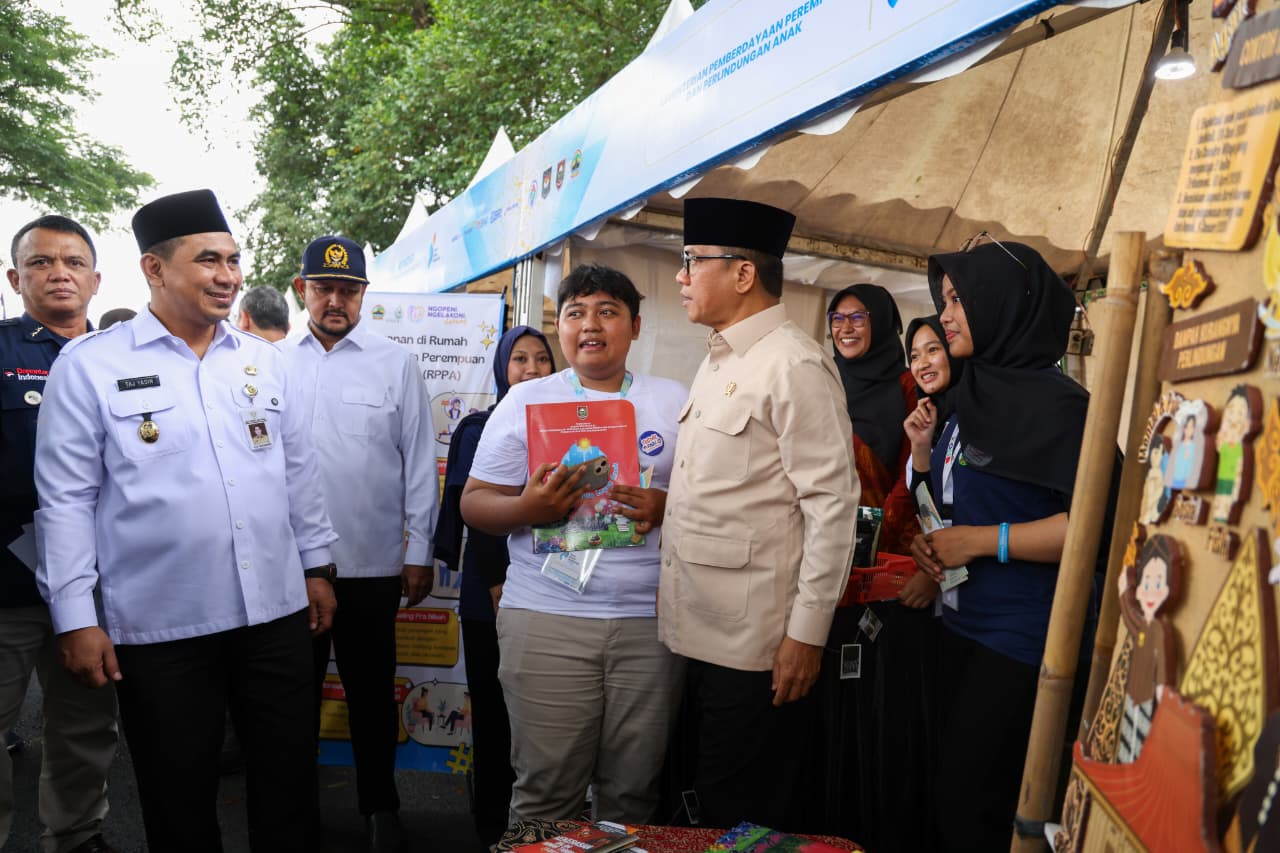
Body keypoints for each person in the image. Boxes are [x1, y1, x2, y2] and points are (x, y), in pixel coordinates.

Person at [33, 189, 339, 853]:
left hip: (275, 613)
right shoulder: (91, 366)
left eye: (232, 259)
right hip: (163, 625)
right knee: (179, 797)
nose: (228, 275)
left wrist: (317, 566)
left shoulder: (262, 361)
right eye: (209, 260)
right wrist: (76, 617)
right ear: (154, 268)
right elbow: (64, 500)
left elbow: (298, 475)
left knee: (289, 785)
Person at [660, 197, 859, 831]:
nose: (680, 276)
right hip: (697, 630)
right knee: (701, 806)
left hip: (755, 649)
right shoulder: (722, 357)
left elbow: (832, 508)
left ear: (743, 274)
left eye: (692, 262)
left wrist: (806, 635)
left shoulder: (794, 364)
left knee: (742, 817)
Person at [461, 264, 686, 825]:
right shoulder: (525, 402)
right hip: (546, 615)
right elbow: (475, 503)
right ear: (559, 327)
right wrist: (527, 510)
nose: (591, 325)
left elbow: (710, 501)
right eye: (576, 313)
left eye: (608, 311)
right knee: (544, 795)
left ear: (635, 326)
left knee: (633, 797)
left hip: (650, 622)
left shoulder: (675, 400)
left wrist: (668, 508)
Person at [910, 237, 1105, 851]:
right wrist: (936, 542)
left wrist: (981, 541)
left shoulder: (1063, 409)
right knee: (952, 798)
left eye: (960, 299)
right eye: (944, 299)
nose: (946, 314)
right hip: (961, 625)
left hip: (1026, 641)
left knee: (975, 806)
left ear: (1003, 303)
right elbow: (956, 500)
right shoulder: (969, 398)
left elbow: (1095, 525)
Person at [282, 235, 437, 852]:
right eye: (324, 288)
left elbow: (420, 463)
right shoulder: (269, 362)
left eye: (348, 290)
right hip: (293, 568)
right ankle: (294, 813)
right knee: (293, 698)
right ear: (303, 291)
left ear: (364, 295)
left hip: (371, 564)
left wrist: (419, 551)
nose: (335, 301)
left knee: (372, 694)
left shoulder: (394, 362)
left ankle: (381, 808)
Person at [1, 215, 119, 853]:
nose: (59, 274)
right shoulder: (1, 350)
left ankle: (75, 833)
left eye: (73, 263)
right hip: (9, 584)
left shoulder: (119, 358)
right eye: (43, 263)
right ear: (16, 278)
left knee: (84, 723)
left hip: (96, 584)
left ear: (96, 280)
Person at [812, 288, 936, 851]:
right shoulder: (821, 384)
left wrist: (888, 548)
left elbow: (919, 480)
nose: (845, 327)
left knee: (883, 719)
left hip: (892, 582)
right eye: (837, 318)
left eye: (858, 317)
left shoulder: (911, 390)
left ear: (882, 323)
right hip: (823, 579)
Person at [434, 325, 555, 845]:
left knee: (542, 723)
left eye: (542, 360)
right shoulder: (481, 427)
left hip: (551, 594)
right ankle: (492, 826)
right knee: (494, 715)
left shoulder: (567, 427)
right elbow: (475, 511)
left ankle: (542, 828)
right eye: (520, 359)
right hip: (492, 594)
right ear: (501, 367)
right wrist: (499, 583)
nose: (531, 370)